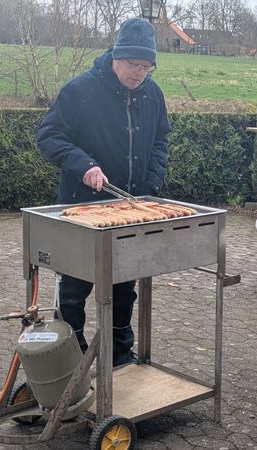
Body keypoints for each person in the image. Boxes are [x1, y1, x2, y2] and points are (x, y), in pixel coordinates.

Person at [36, 18, 171, 366]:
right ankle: (73, 360)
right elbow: (48, 136)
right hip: (83, 209)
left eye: (147, 67)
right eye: (134, 64)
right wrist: (84, 165)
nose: (140, 73)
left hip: (131, 211)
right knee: (74, 289)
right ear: (117, 56)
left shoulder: (153, 94)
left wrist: (152, 182)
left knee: (124, 288)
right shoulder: (80, 90)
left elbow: (161, 140)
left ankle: (119, 357)